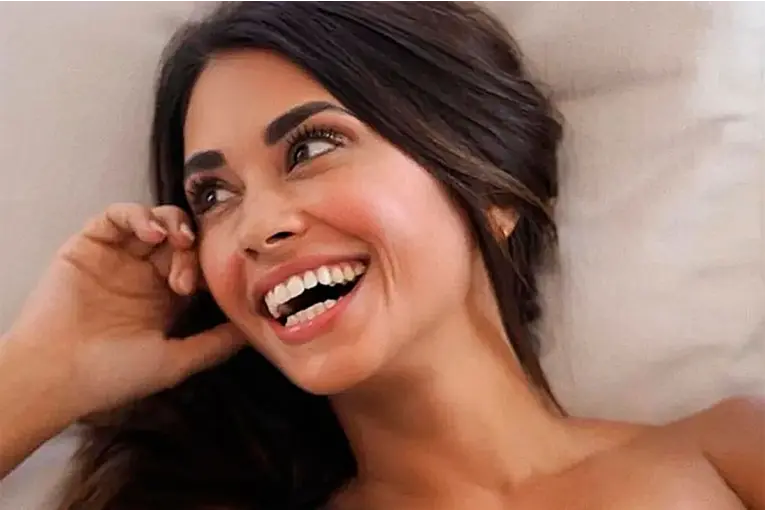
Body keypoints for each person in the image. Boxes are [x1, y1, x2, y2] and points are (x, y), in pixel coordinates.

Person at [0, 1, 762, 509]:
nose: (256, 226)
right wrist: (46, 372)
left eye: (311, 148)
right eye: (213, 195)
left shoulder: (725, 450)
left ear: (486, 189)